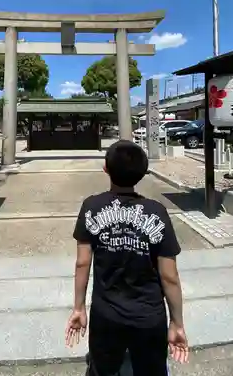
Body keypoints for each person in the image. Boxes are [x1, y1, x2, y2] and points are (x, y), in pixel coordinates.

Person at [65, 140, 188, 376]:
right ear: (143, 173)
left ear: (106, 169)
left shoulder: (92, 206)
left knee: (103, 370)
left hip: (106, 314)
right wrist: (177, 322)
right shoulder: (157, 211)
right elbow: (169, 276)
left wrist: (79, 308)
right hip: (149, 316)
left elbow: (82, 262)